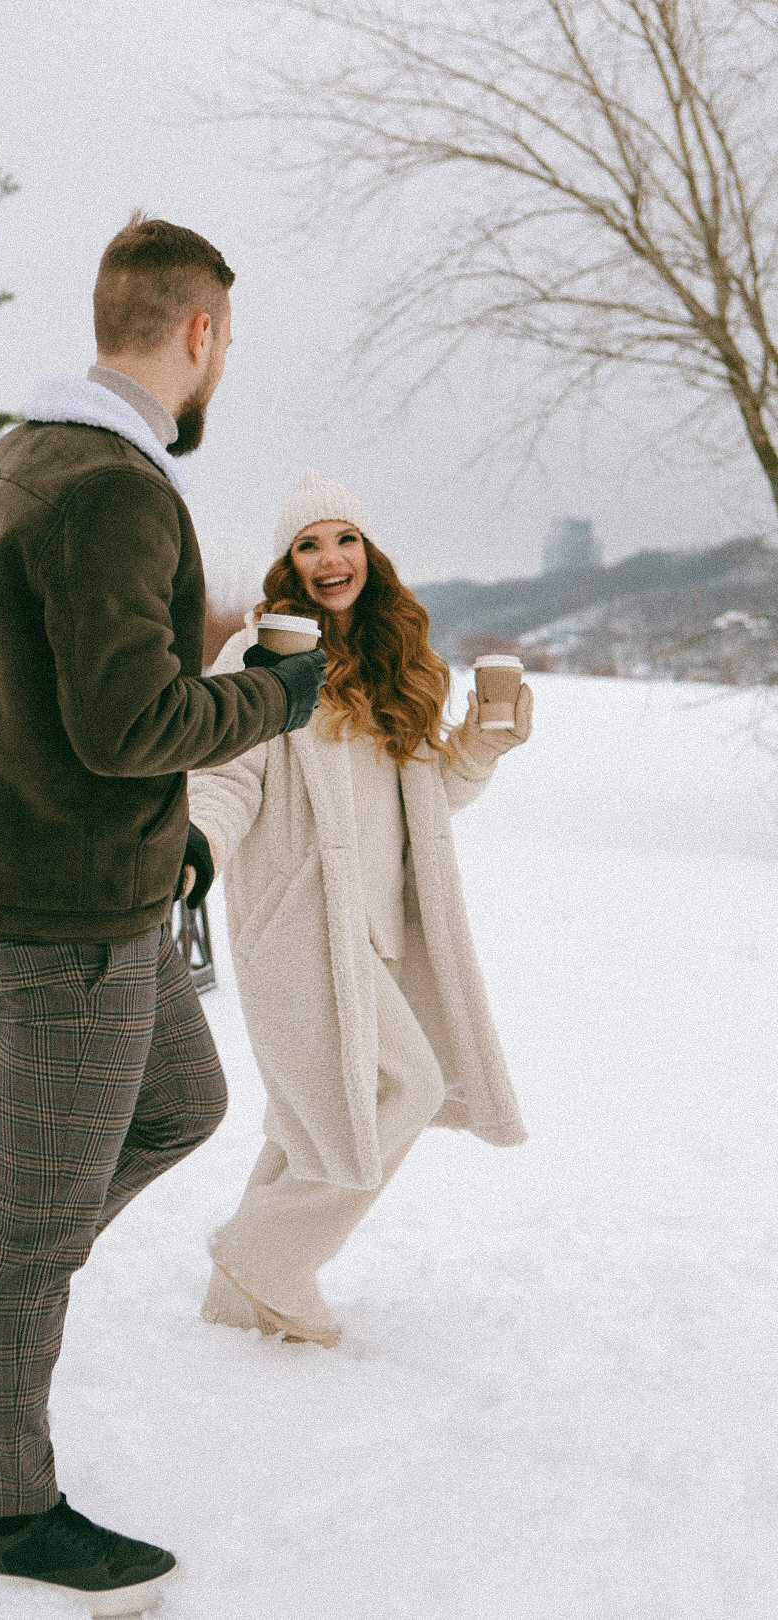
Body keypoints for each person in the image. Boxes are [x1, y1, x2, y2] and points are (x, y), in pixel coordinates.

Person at [0, 217, 326, 1613]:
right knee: (38, 1226)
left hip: (83, 875)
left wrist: (165, 841)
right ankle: (12, 1512)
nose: (223, 366)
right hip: (66, 913)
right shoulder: (113, 490)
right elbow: (135, 720)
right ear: (196, 334)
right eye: (227, 343)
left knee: (181, 1104)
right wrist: (275, 696)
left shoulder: (25, 458)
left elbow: (27, 693)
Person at [188, 468, 530, 1349]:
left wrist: (481, 749)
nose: (328, 558)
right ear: (288, 564)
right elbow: (224, 777)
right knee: (404, 1086)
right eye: (308, 544)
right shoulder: (260, 659)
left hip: (383, 927)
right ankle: (263, 1256)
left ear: (369, 555)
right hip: (298, 925)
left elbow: (427, 805)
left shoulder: (398, 667)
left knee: (316, 1109)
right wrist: (200, 846)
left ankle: (239, 1297)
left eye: (343, 540)